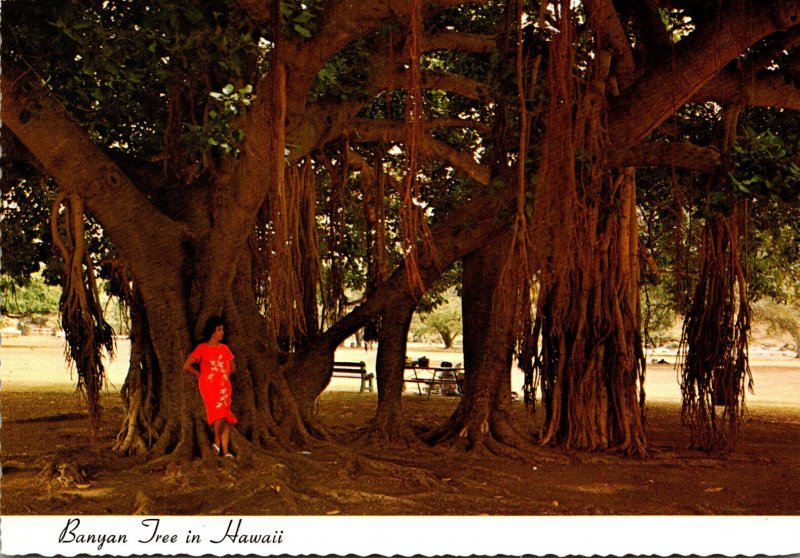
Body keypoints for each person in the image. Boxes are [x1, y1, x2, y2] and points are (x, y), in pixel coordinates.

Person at [183, 316, 237, 458]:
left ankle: (223, 450)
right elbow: (187, 366)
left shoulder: (225, 349)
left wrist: (223, 375)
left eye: (222, 329)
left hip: (224, 386)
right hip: (209, 386)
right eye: (219, 330)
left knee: (225, 415)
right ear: (212, 332)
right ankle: (217, 442)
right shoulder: (202, 348)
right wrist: (201, 375)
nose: (222, 332)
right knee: (219, 414)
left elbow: (233, 368)